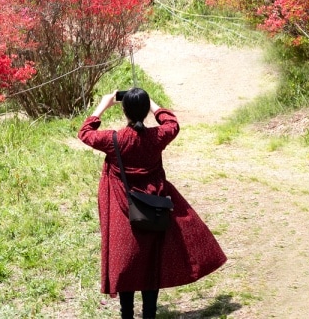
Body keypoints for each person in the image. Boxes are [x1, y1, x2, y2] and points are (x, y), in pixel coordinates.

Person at [78, 88, 226, 319]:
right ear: (145, 111)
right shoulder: (157, 137)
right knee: (151, 262)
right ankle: (149, 315)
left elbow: (85, 132)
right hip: (154, 208)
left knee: (125, 262)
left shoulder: (114, 140)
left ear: (124, 110)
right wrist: (152, 105)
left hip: (123, 210)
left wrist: (103, 105)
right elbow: (172, 122)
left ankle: (126, 314)